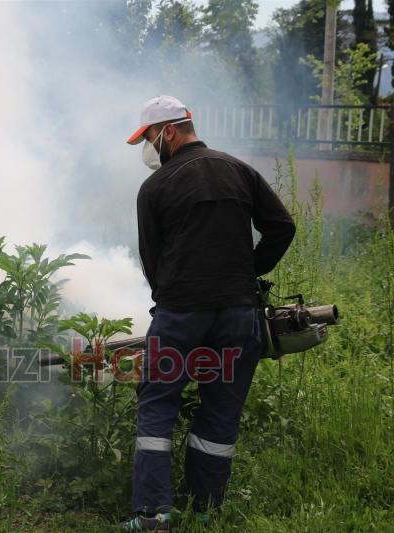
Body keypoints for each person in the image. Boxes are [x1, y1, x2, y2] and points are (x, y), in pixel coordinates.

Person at [121, 96, 296, 531]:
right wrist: (248, 272)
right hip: (239, 314)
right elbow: (282, 226)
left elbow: (152, 260)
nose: (148, 149)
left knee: (157, 404)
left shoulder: (155, 188)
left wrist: (171, 295)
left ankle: (153, 513)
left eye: (148, 138)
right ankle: (205, 510)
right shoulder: (239, 170)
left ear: (169, 131)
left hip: (181, 315)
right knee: (221, 408)